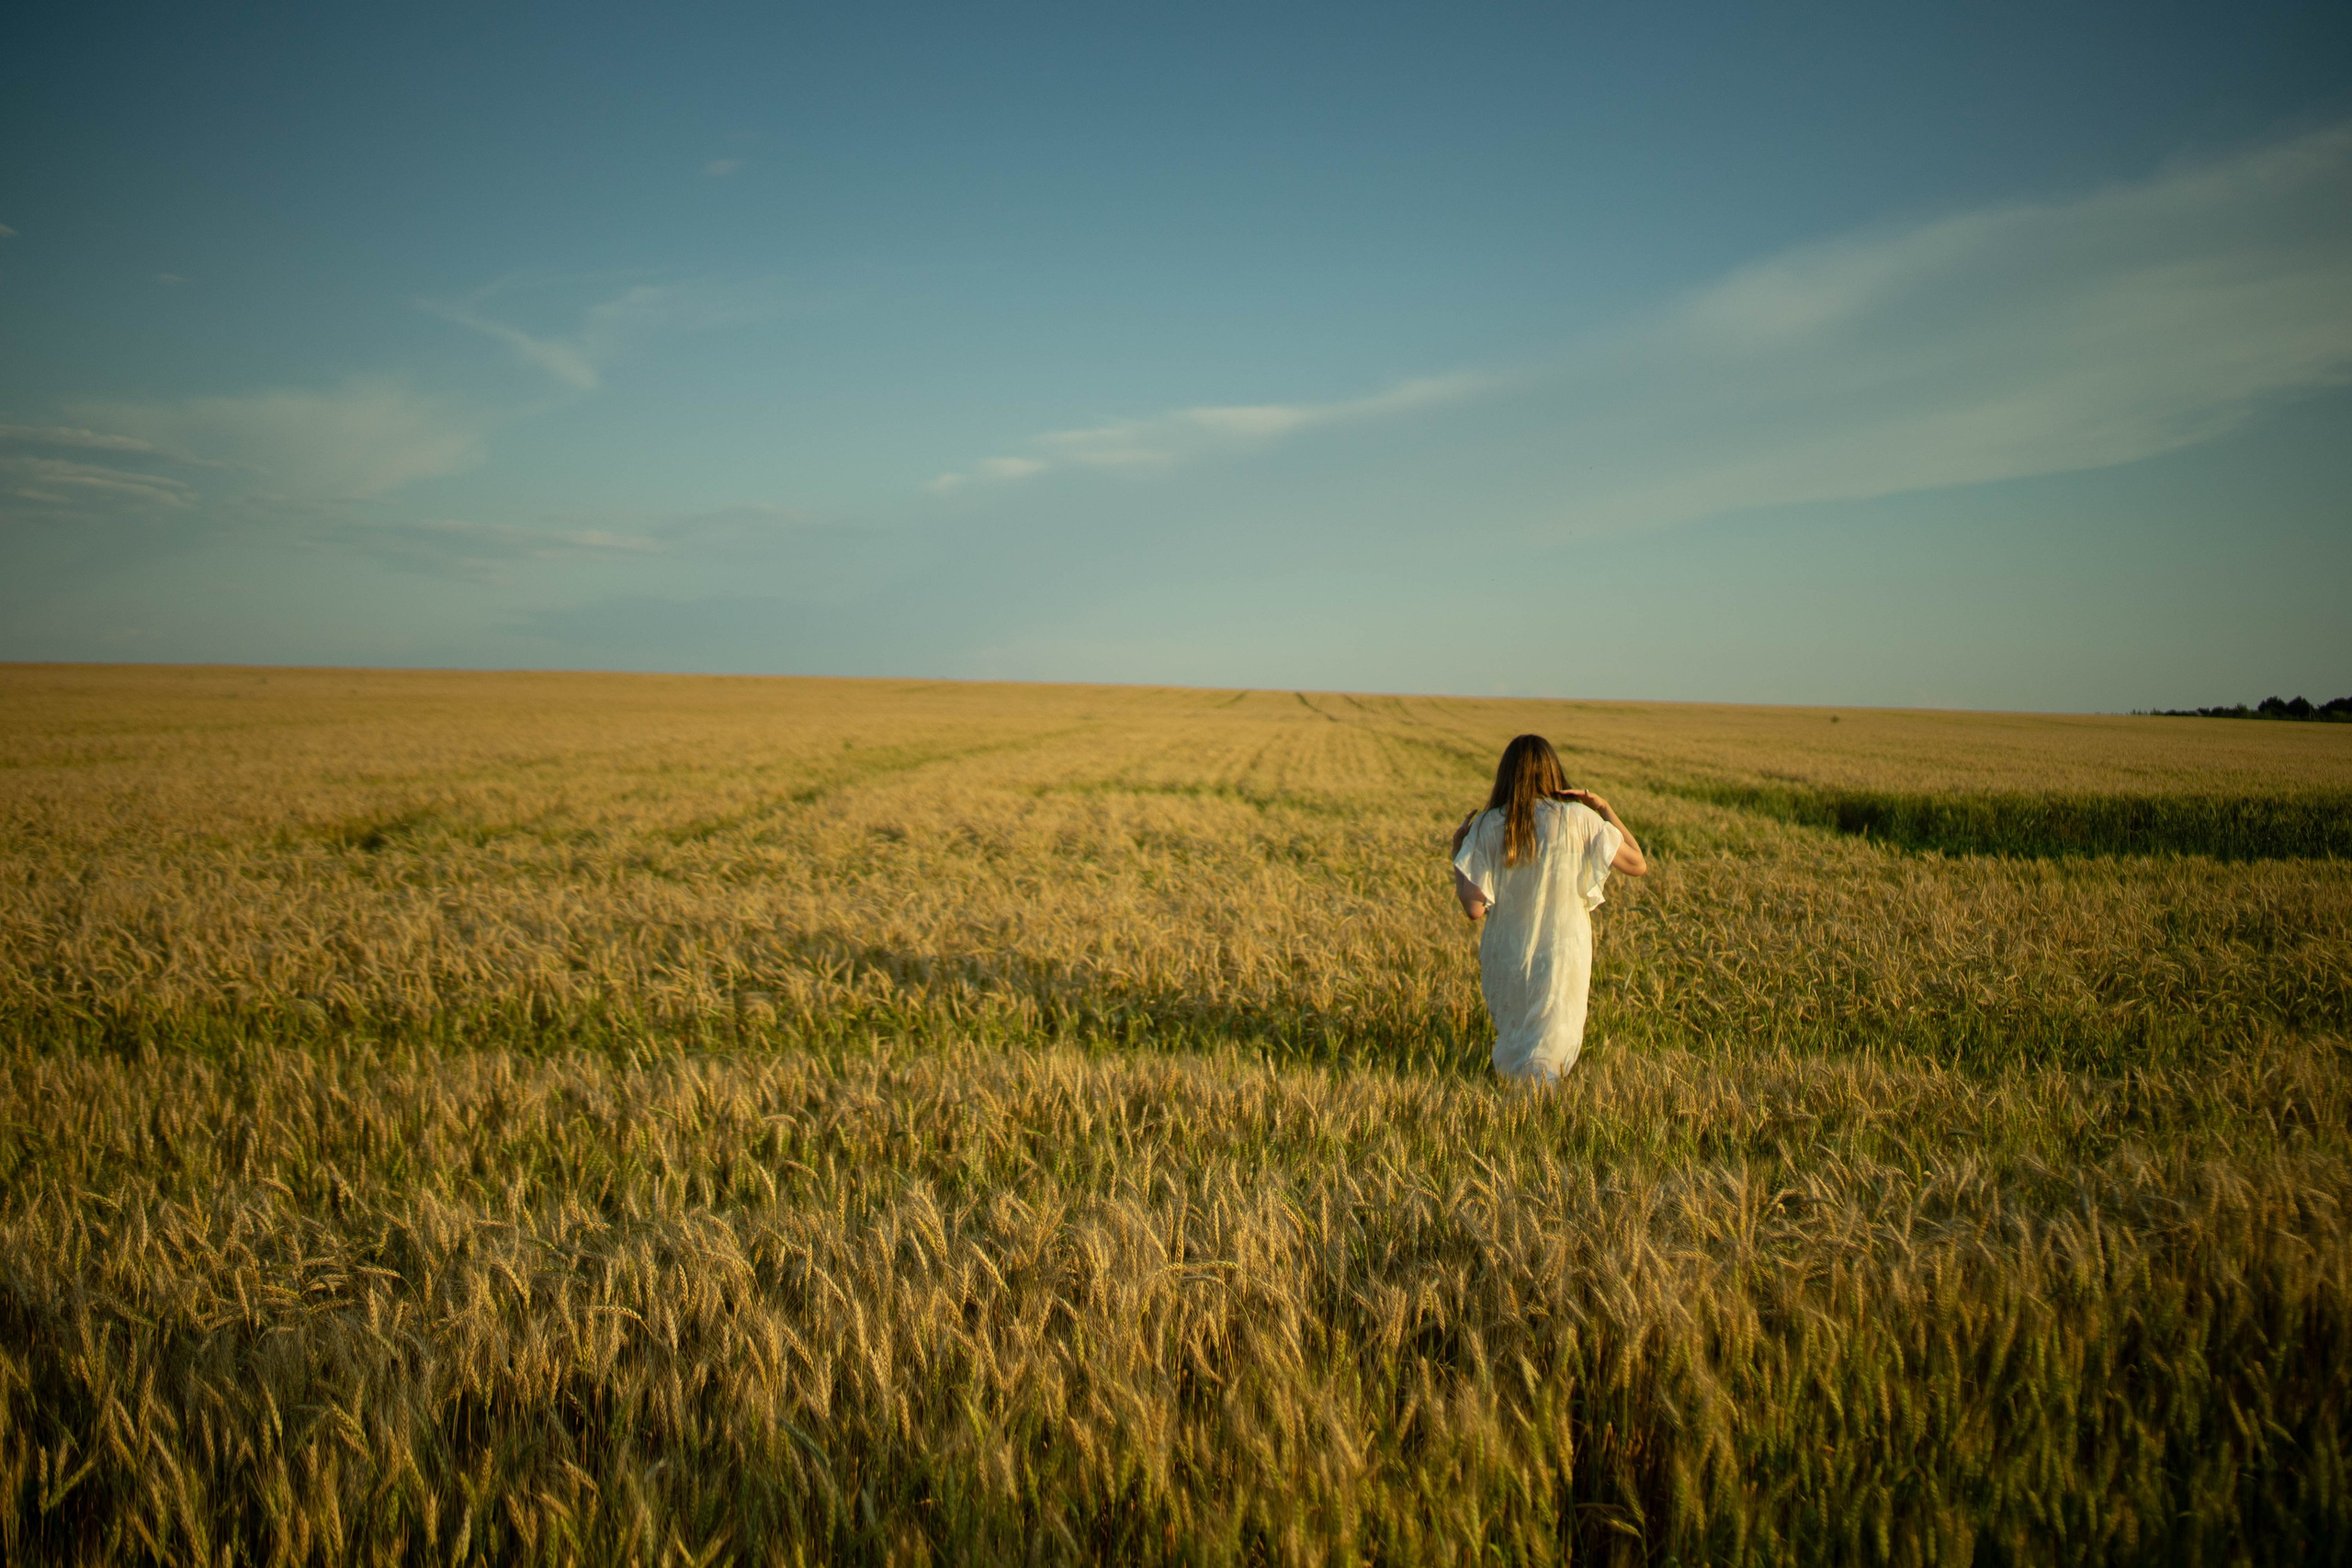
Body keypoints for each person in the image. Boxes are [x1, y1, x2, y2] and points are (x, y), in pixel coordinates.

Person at [1450, 734, 1647, 1081]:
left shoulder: (1487, 825)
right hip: (1564, 951)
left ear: (1505, 775)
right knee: (1552, 1045)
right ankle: (1540, 1114)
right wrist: (1604, 809)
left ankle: (1521, 1113)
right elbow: (1637, 863)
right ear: (1553, 772)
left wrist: (1457, 854)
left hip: (1509, 954)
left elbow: (1474, 909)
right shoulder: (1578, 819)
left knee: (1519, 1043)